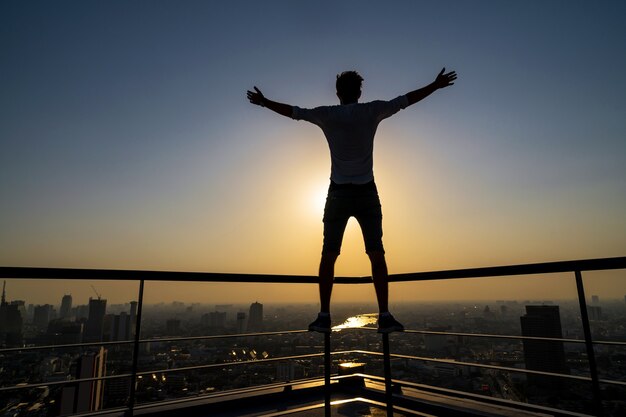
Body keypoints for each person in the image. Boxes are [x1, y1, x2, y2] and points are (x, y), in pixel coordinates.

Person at [247, 68, 457, 333]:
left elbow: (294, 112)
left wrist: (265, 102)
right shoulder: (372, 110)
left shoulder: (327, 115)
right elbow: (406, 100)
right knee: (376, 253)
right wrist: (435, 85)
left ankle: (324, 315)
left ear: (338, 93)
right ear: (359, 92)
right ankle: (384, 315)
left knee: (329, 254)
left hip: (337, 195)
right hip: (367, 193)